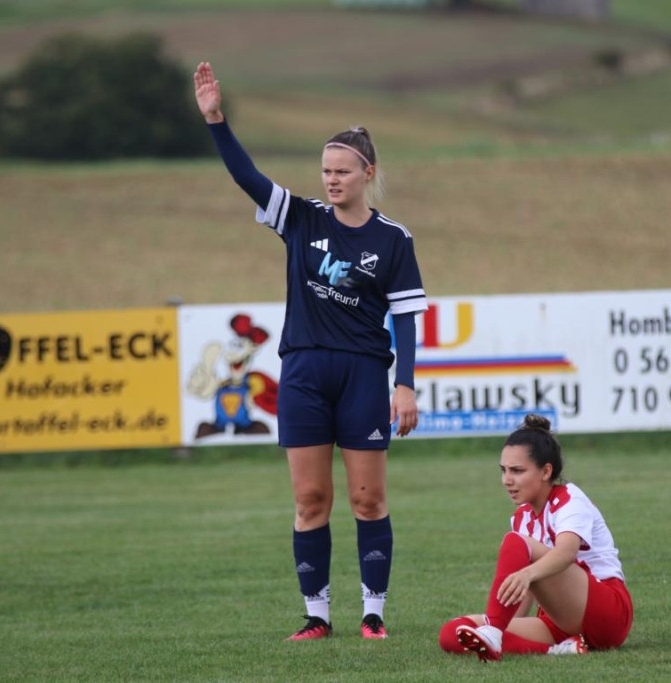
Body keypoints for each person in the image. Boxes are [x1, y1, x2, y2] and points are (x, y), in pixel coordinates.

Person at [193, 62, 428, 641]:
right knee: (310, 499)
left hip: (363, 376)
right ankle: (317, 616)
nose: (331, 180)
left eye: (342, 171)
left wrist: (405, 384)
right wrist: (216, 121)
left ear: (368, 173)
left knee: (368, 499)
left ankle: (373, 613)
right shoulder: (300, 218)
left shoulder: (393, 239)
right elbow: (247, 176)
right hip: (303, 373)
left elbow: (405, 317)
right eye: (325, 171)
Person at [438, 414, 633, 660]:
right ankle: (559, 650)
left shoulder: (569, 498)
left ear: (545, 471)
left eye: (517, 471)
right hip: (557, 620)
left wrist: (527, 574)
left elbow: (566, 553)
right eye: (504, 471)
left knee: (515, 542)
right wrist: (505, 623)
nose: (507, 480)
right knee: (454, 632)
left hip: (607, 612)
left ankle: (493, 633)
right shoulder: (521, 518)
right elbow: (524, 589)